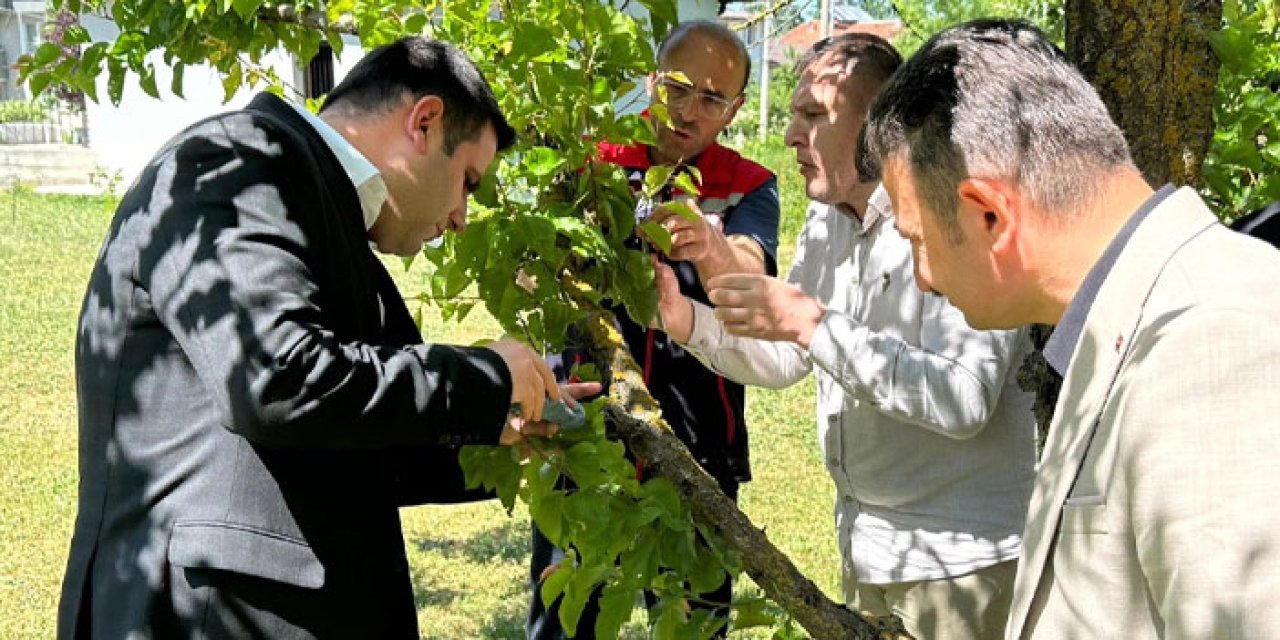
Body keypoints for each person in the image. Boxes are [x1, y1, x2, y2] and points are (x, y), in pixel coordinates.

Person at [59, 37, 596, 639]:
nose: (461, 217)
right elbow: (276, 379)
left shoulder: (327, 214)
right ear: (424, 122)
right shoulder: (236, 159)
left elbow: (370, 435)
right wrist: (487, 378)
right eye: (467, 181)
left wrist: (516, 426)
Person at [859, 18, 1280, 639]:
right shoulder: (1139, 316)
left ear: (988, 215)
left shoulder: (1208, 341)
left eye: (916, 239)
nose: (922, 278)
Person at [654, 32, 1038, 639]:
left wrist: (812, 321)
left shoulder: (956, 208)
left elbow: (963, 397)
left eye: (814, 115)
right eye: (792, 115)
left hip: (962, 561)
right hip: (867, 548)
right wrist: (690, 323)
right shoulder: (828, 217)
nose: (788, 137)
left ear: (879, 124)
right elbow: (789, 355)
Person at [527, 20, 780, 640]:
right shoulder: (593, 167)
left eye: (713, 99)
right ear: (652, 82)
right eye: (679, 88)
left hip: (697, 443)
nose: (690, 111)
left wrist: (708, 244)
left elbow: (751, 268)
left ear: (735, 109)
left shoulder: (748, 185)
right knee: (564, 621)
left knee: (693, 624)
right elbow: (534, 274)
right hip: (582, 436)